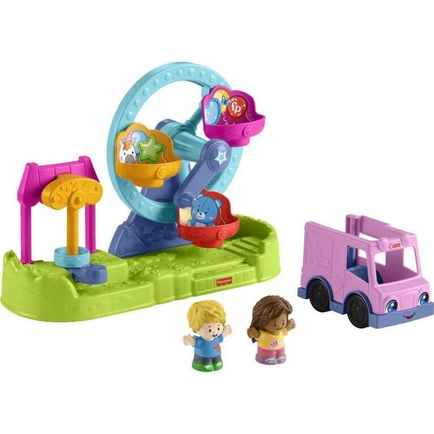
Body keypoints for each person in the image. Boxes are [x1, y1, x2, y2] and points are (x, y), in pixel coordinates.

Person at [183, 300, 232, 372]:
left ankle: (216, 363)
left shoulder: (217, 338)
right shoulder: (200, 341)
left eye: (218, 328)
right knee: (205, 365)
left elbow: (222, 335)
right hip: (202, 359)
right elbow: (194, 342)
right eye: (210, 329)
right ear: (195, 328)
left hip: (217, 356)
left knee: (218, 363)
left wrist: (226, 331)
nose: (215, 332)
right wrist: (189, 341)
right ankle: (203, 365)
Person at [247, 295, 295, 365]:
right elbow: (255, 334)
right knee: (269, 356)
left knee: (280, 355)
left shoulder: (281, 332)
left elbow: (286, 330)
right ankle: (265, 358)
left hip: (280, 350)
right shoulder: (262, 334)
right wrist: (253, 333)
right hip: (266, 353)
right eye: (274, 324)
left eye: (283, 322)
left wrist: (290, 325)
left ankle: (279, 356)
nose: (279, 325)